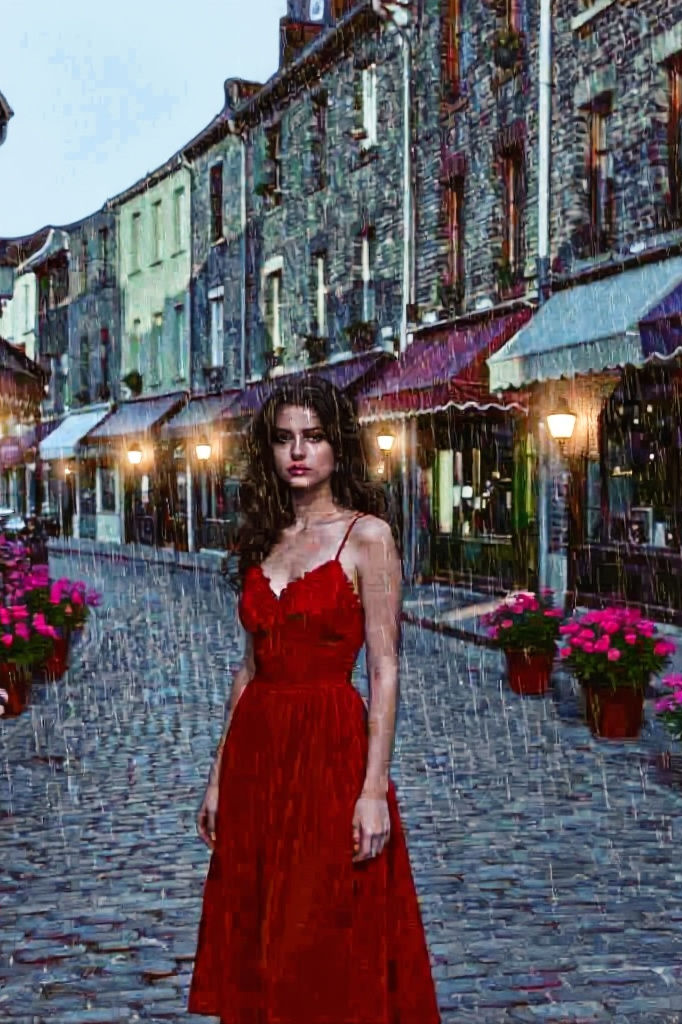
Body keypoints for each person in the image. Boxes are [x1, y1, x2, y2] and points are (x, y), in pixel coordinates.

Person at [188, 376, 440, 1024]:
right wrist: (217, 777)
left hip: (329, 752)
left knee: (320, 931)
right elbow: (247, 670)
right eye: (284, 439)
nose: (298, 452)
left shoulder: (368, 536)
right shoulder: (262, 537)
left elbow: (385, 666)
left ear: (338, 446)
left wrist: (373, 790)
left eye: (314, 437)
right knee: (258, 932)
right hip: (257, 757)